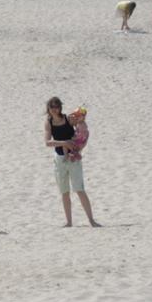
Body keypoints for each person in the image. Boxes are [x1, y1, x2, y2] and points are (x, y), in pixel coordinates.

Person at [43, 97, 98, 227]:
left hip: (73, 158)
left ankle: (91, 220)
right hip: (59, 159)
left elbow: (82, 127)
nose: (55, 110)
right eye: (52, 107)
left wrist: (79, 145)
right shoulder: (48, 122)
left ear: (60, 107)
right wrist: (64, 143)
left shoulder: (68, 119)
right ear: (48, 109)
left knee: (79, 189)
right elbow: (47, 142)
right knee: (64, 192)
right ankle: (69, 222)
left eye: (57, 107)